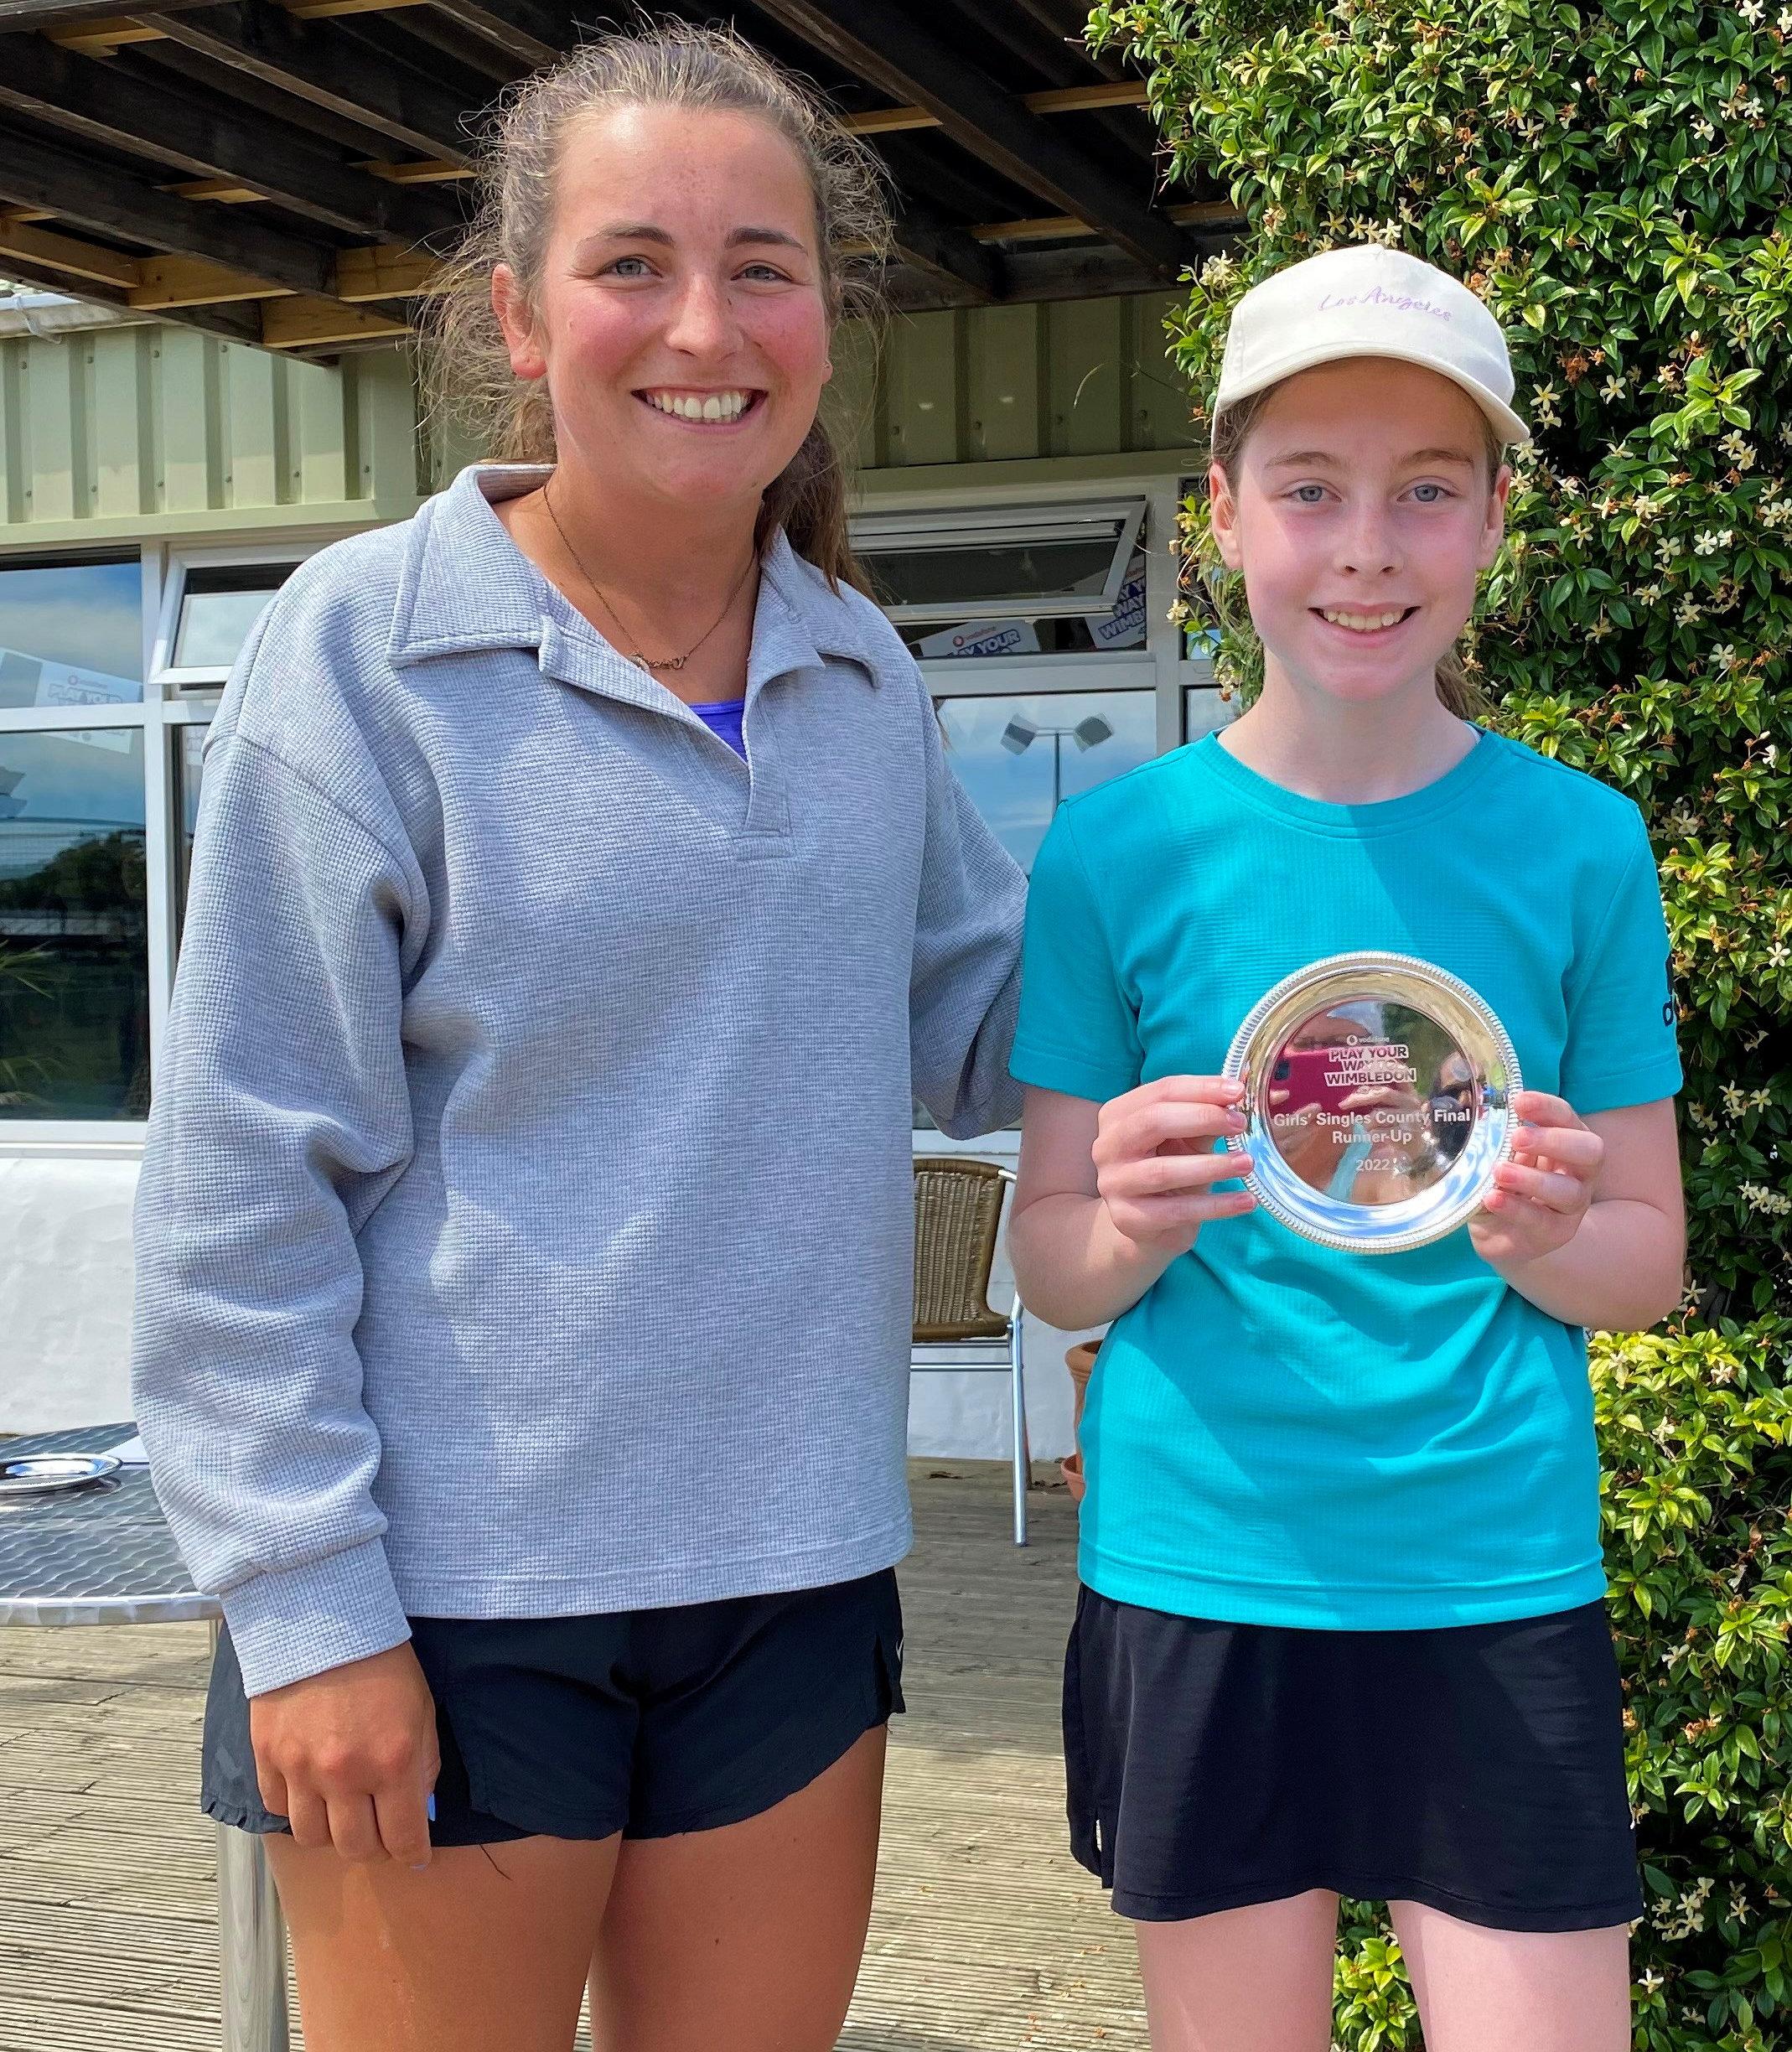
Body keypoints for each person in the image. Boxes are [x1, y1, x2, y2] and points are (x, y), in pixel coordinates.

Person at [131, 27, 1023, 2052]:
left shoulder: (858, 665)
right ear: (518, 320)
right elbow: (242, 1182)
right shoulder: (363, 654)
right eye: (632, 263)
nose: (703, 325)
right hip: (446, 1607)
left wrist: (1304, 905)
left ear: (826, 314)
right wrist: (307, 1613)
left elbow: (989, 1022)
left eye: (764, 265)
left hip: (795, 1576)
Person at [1007, 244, 1685, 2052]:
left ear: (1490, 524)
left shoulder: (1579, 845)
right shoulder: (1113, 853)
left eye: (1424, 492)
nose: (1365, 547)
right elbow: (1051, 1259)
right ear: (1220, 513)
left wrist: (1539, 1226)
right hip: (1200, 1559)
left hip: (1491, 1564)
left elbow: (1647, 1266)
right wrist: (1132, 1216)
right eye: (1308, 490)